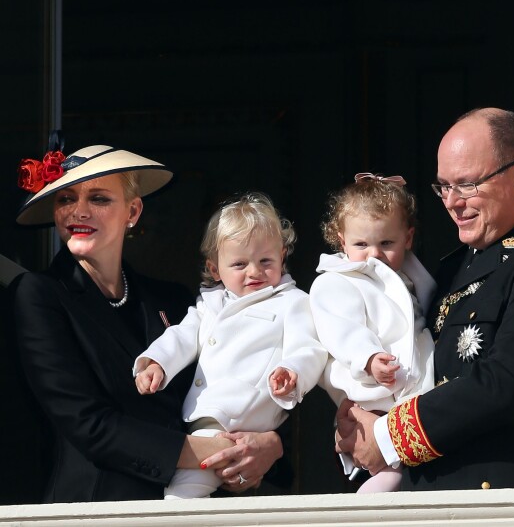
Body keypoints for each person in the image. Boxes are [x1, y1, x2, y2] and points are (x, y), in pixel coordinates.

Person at [10, 145, 284, 503]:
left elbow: (240, 378)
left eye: (98, 198)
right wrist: (219, 453)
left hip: (198, 507)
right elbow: (89, 425)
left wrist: (271, 446)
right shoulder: (39, 295)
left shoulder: (173, 300)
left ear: (133, 211)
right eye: (65, 198)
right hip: (96, 511)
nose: (78, 211)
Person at [335, 108, 514, 490]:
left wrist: (387, 436)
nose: (451, 202)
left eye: (466, 185)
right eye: (443, 187)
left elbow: (508, 383)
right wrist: (359, 415)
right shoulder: (448, 270)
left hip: (503, 505)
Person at [134, 192, 327, 499]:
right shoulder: (209, 304)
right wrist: (155, 363)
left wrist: (293, 372)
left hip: (243, 420)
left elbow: (309, 348)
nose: (254, 272)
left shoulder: (293, 302)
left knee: (180, 498)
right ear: (215, 269)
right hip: (200, 424)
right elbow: (182, 336)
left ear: (282, 256)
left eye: (266, 261)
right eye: (239, 263)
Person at [310, 173, 436, 493]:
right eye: (361, 244)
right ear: (341, 241)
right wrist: (369, 358)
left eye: (386, 243)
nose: (374, 255)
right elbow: (342, 329)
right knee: (387, 475)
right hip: (373, 392)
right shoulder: (336, 282)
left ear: (408, 238)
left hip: (411, 395)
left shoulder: (412, 279)